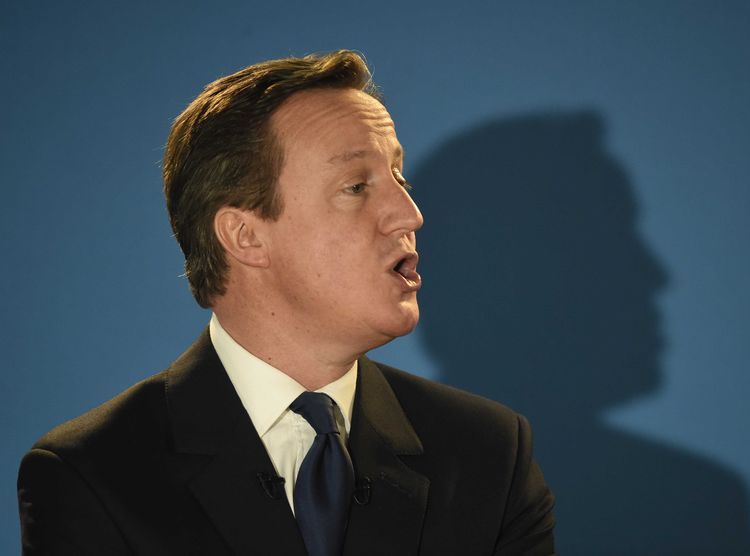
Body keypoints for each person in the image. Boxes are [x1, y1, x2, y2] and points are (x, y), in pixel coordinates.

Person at [17, 50, 556, 555]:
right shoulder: (90, 475)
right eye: (356, 186)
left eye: (399, 175)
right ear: (245, 236)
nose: (409, 213)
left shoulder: (490, 453)